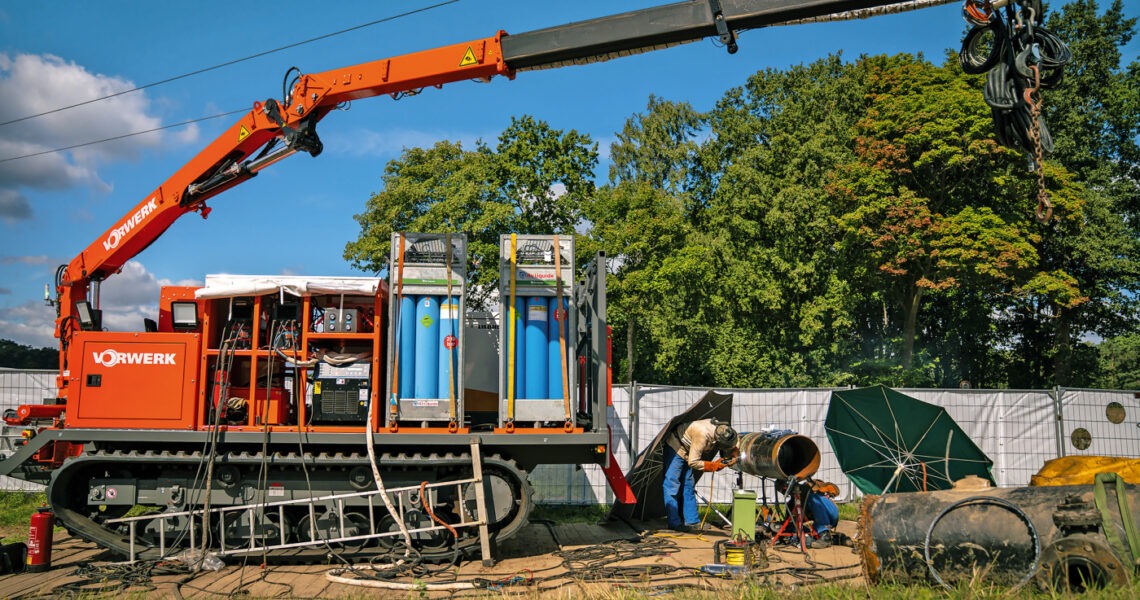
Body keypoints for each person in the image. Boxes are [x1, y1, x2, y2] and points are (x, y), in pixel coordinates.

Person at [662, 418, 739, 531]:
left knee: (688, 485)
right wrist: (713, 466)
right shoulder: (702, 435)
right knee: (672, 484)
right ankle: (674, 523)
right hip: (676, 446)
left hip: (688, 448)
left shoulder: (723, 428)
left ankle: (692, 521)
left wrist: (734, 454)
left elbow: (734, 441)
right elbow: (693, 462)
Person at [783, 479, 840, 548]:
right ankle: (836, 538)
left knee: (813, 499)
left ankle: (825, 536)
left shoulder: (812, 495)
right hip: (826, 522)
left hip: (831, 514)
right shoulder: (793, 501)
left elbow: (835, 491)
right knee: (796, 528)